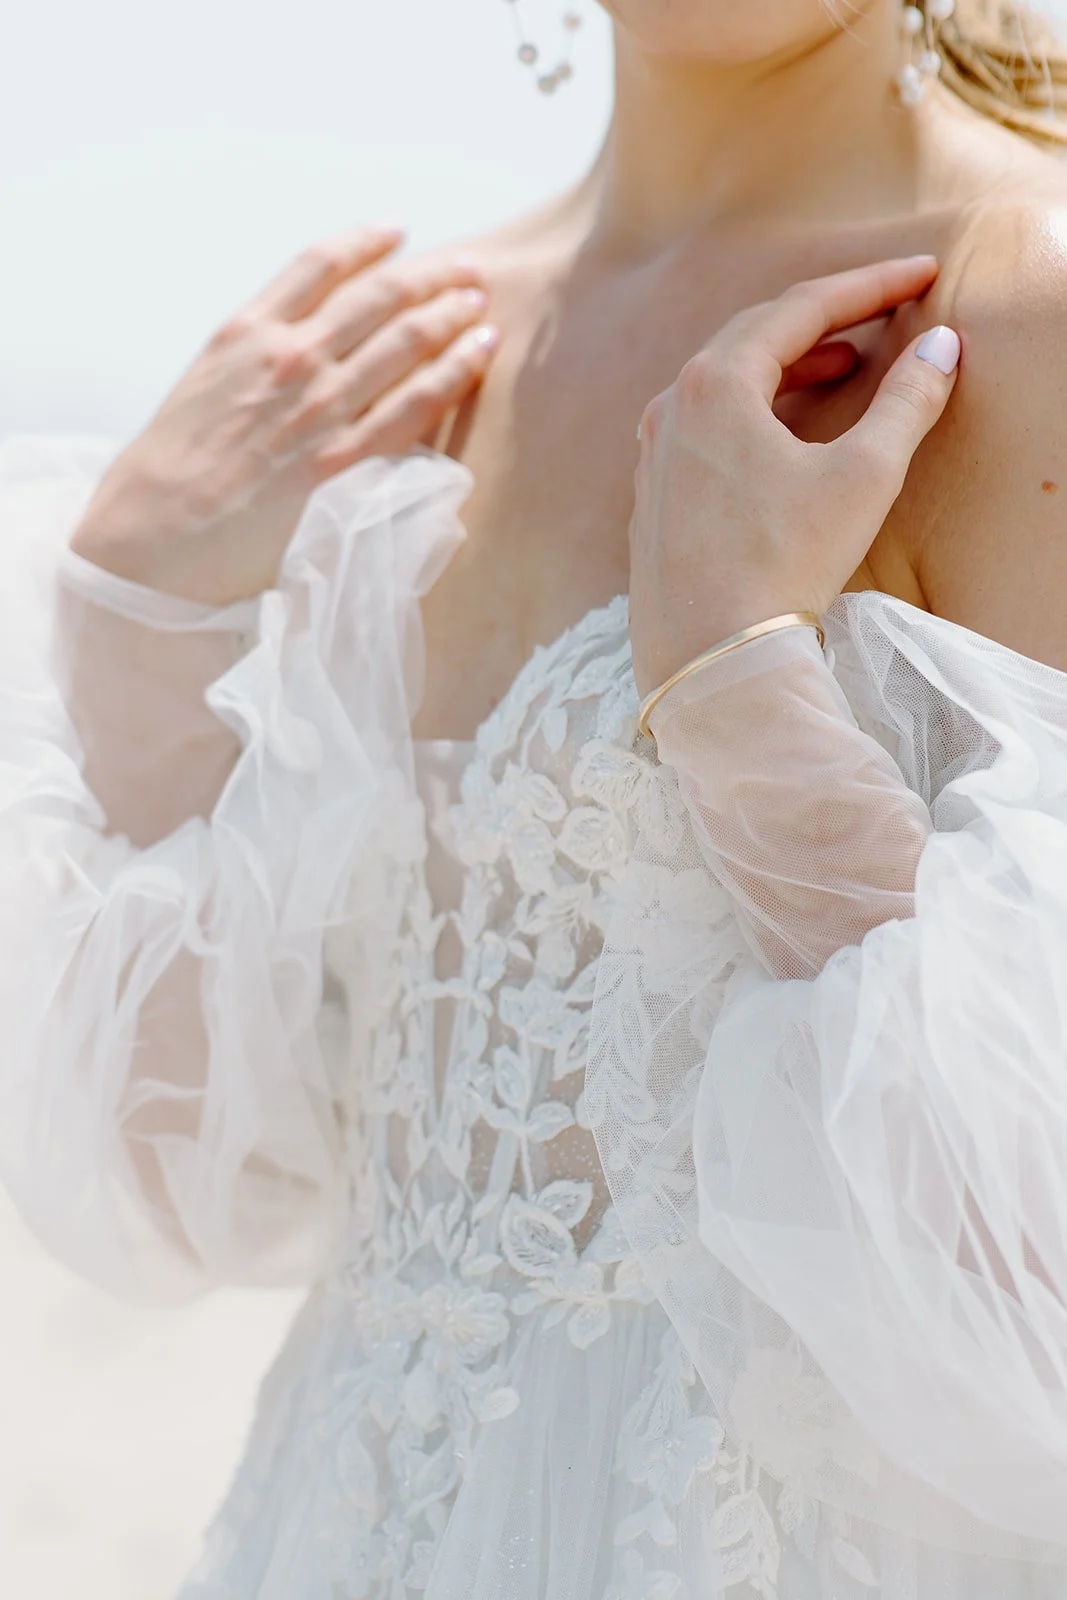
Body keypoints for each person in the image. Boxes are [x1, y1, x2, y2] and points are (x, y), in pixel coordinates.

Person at [2, 0, 1067, 1594]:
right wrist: (140, 623)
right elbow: (199, 1198)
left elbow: (1027, 1313)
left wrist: (734, 688)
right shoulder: (399, 348)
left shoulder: (1012, 315)